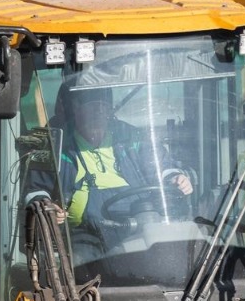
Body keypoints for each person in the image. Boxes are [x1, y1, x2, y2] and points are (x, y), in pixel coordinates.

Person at [58, 84, 193, 227]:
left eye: (103, 106)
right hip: (86, 233)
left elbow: (158, 164)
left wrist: (174, 177)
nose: (98, 112)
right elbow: (39, 189)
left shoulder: (132, 138)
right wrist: (49, 207)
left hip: (142, 224)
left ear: (109, 110)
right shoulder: (60, 146)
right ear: (75, 109)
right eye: (91, 106)